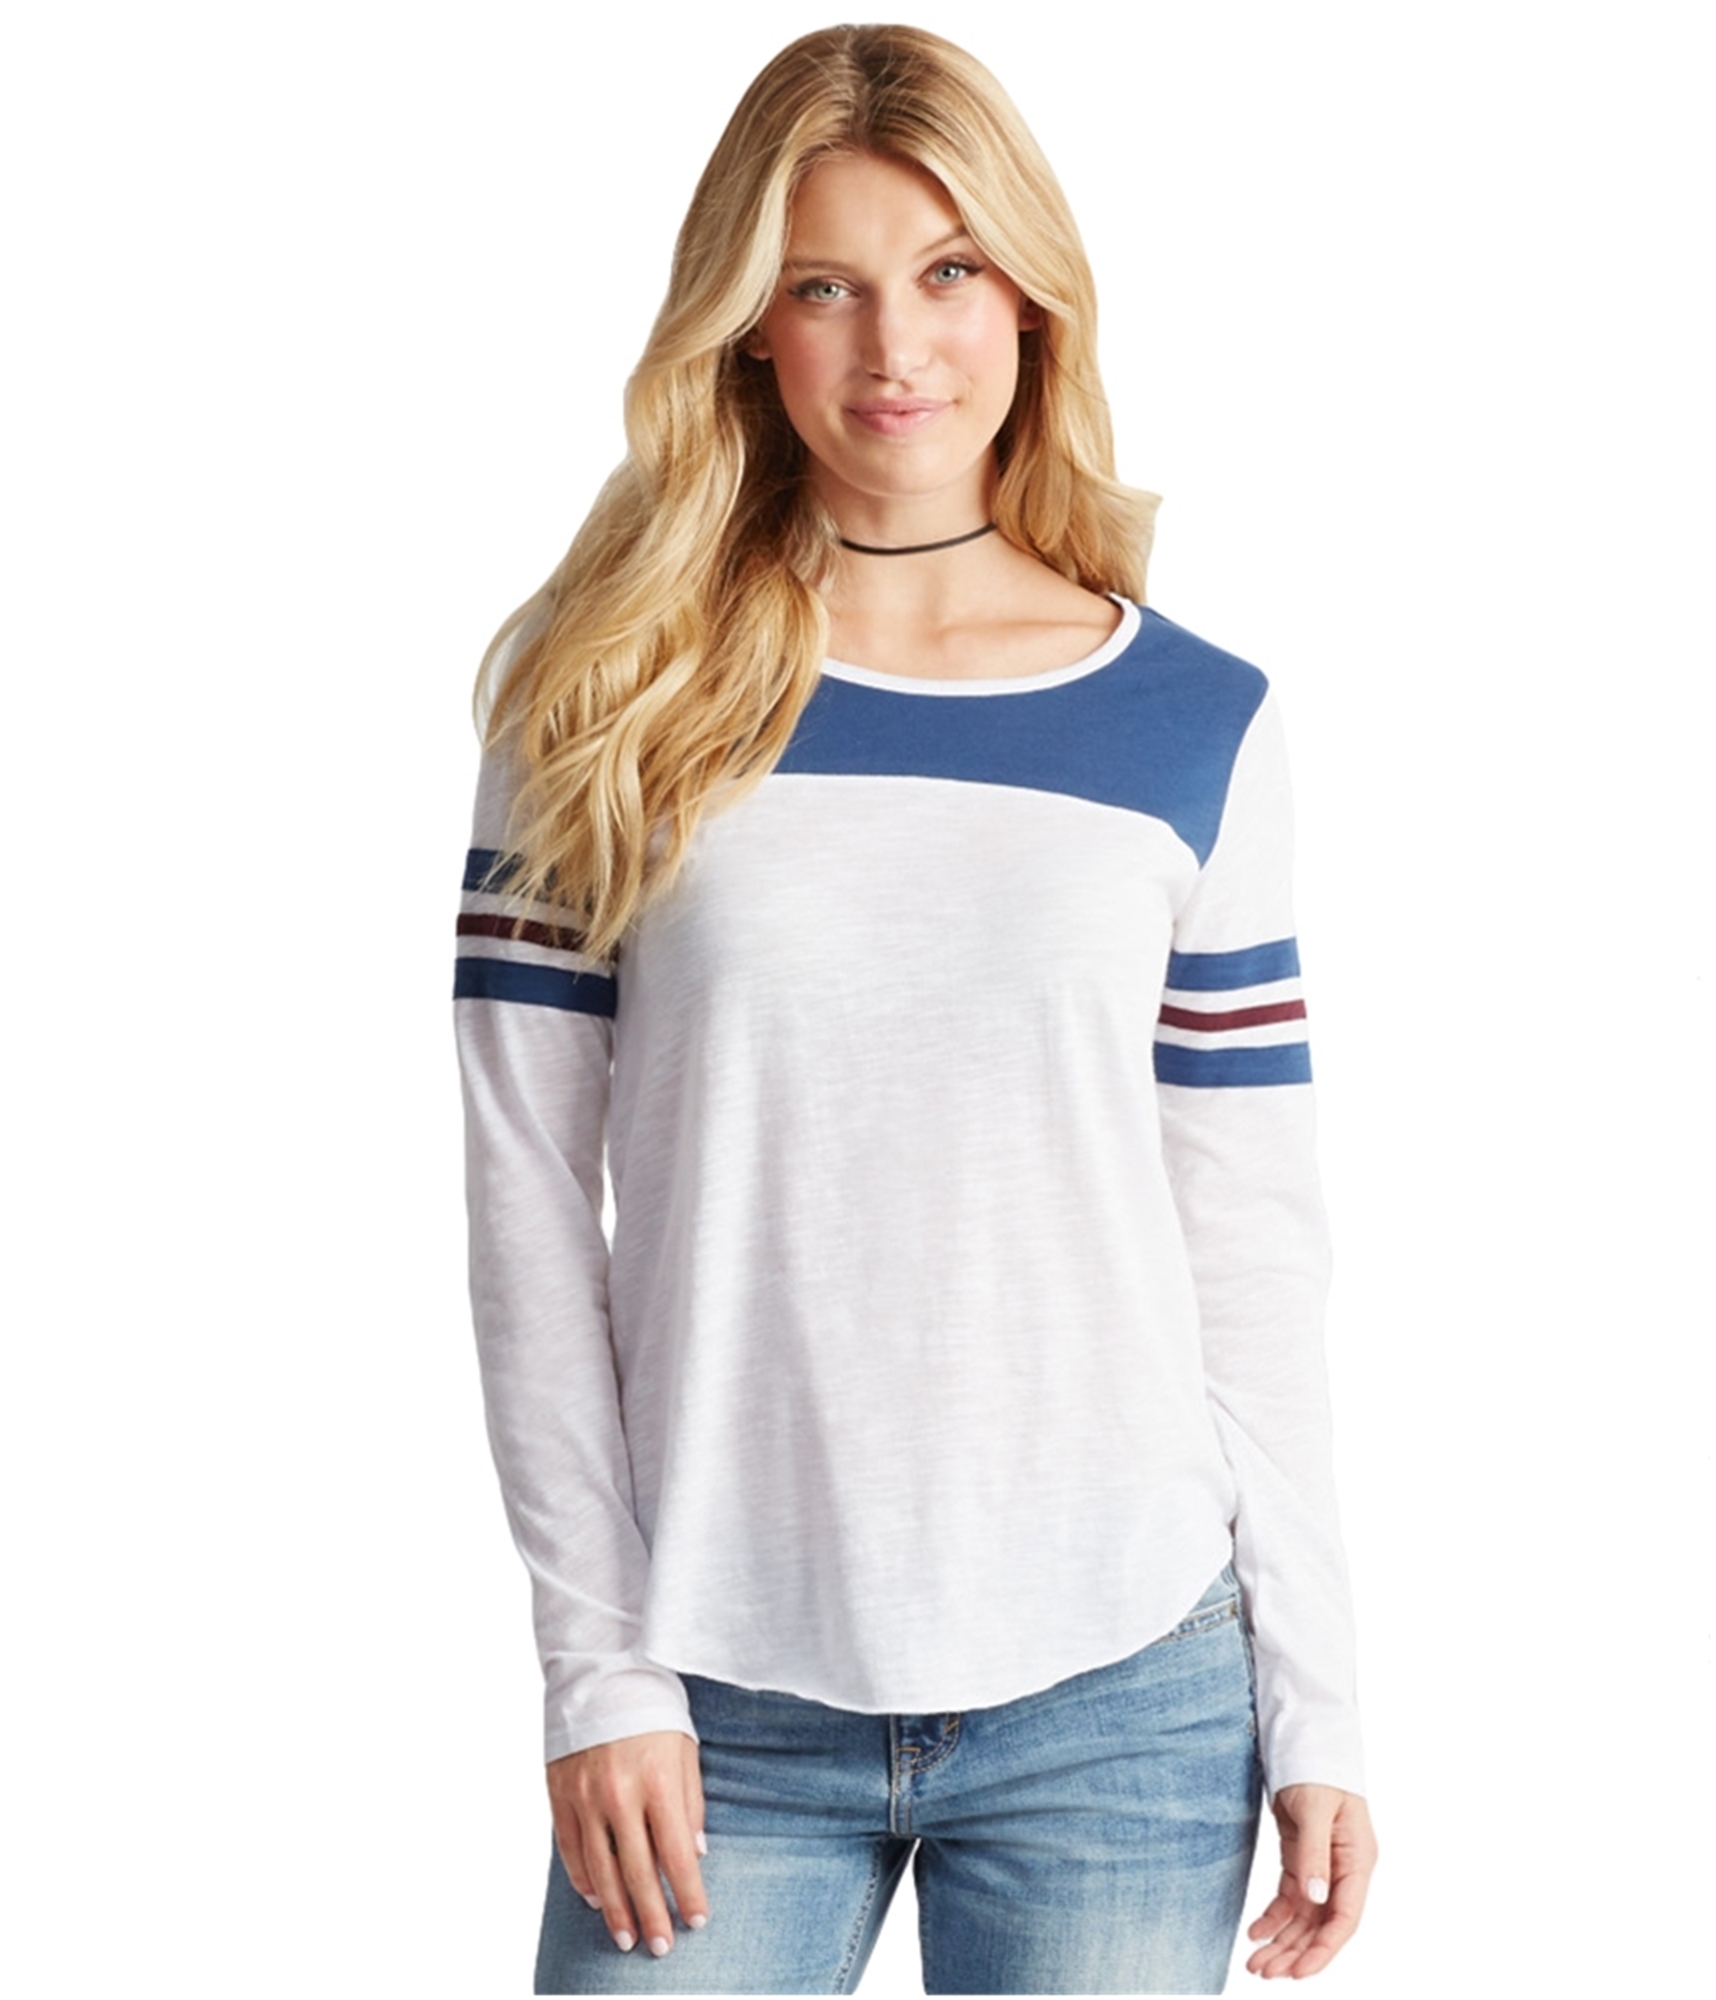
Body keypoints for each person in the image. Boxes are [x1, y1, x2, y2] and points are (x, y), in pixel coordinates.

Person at [455, 23, 1377, 1995]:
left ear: (1031, 299)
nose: (897, 345)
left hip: (1127, 1693)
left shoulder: (1194, 719)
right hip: (712, 1687)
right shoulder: (605, 695)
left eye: (948, 270)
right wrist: (596, 1668)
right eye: (825, 285)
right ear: (746, 326)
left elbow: (1248, 1242)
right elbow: (529, 1208)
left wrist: (1322, 1703)